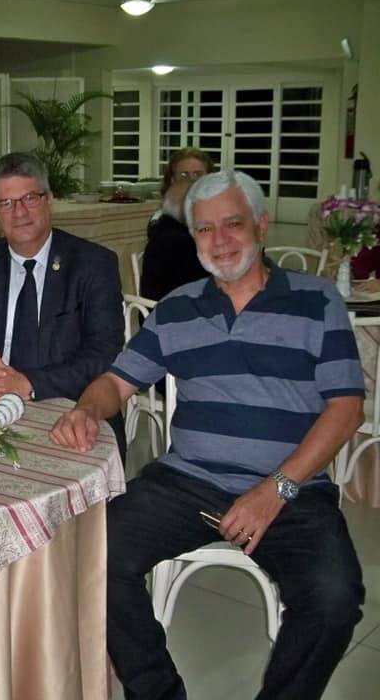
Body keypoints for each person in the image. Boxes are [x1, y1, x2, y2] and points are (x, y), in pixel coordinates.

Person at [50, 170, 365, 700]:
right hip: (187, 483)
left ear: (261, 224)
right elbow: (116, 383)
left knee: (334, 599)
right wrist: (86, 408)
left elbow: (347, 408)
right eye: (204, 229)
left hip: (292, 490)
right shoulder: (178, 307)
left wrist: (275, 490)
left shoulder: (317, 300)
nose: (219, 241)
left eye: (232, 224)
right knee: (91, 555)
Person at [0, 152, 126, 455]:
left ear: (49, 200)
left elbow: (104, 355)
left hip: (69, 412)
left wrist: (28, 383)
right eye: (6, 203)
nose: (19, 212)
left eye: (29, 198)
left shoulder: (93, 264)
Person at [139, 147, 214, 301]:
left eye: (198, 175)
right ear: (172, 180)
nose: (192, 181)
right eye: (184, 175)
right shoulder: (169, 230)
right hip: (176, 308)